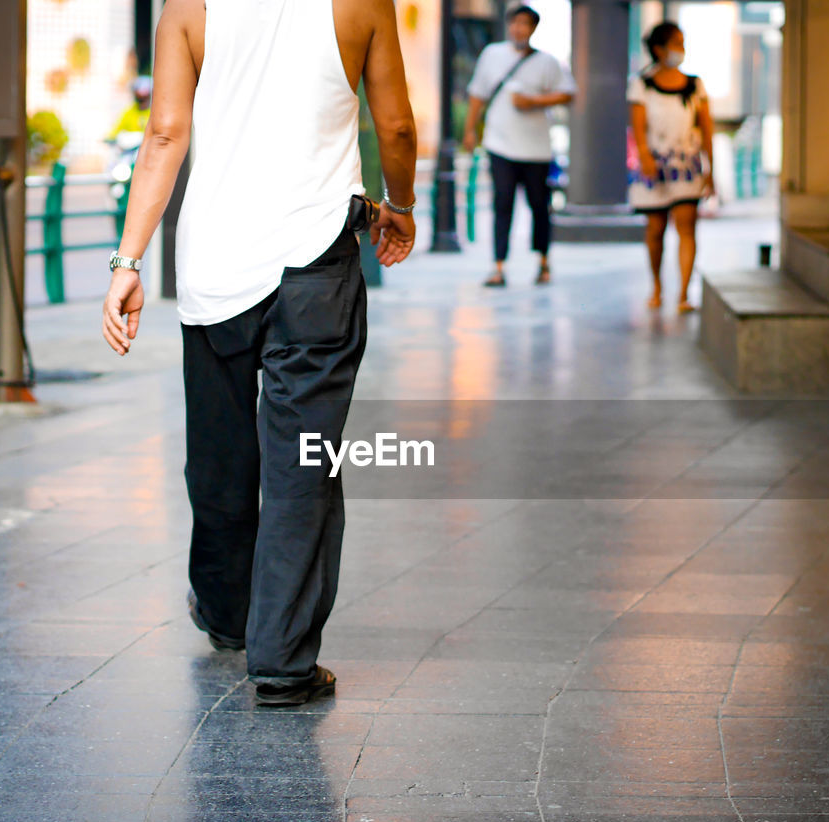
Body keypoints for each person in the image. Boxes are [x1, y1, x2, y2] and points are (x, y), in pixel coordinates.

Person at [100, 0, 417, 706]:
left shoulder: (187, 7)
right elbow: (393, 122)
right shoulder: (362, 4)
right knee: (304, 460)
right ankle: (282, 663)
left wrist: (128, 261)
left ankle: (224, 612)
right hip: (315, 267)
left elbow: (164, 134)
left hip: (214, 263)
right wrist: (402, 201)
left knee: (220, 452)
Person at [462, 5, 574, 287]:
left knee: (539, 206)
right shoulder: (492, 55)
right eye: (515, 23)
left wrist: (534, 102)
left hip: (536, 149)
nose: (519, 29)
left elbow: (568, 93)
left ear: (533, 29)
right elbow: (477, 94)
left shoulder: (547, 62)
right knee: (502, 204)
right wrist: (470, 131)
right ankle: (498, 266)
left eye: (525, 24)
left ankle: (543, 261)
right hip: (500, 145)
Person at [628, 22, 715, 313]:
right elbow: (638, 127)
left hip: (687, 165)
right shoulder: (642, 84)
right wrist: (645, 155)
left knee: (686, 224)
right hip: (655, 164)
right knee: (655, 228)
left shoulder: (695, 85)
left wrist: (709, 167)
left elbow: (706, 126)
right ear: (658, 49)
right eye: (675, 42)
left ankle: (683, 294)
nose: (680, 49)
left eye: (682, 42)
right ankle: (656, 285)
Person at [108, 76, 153, 142]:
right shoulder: (130, 111)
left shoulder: (155, 113)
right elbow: (117, 128)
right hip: (131, 149)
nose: (142, 98)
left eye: (145, 96)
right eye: (139, 95)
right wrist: (110, 137)